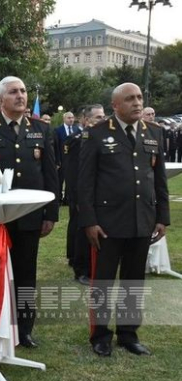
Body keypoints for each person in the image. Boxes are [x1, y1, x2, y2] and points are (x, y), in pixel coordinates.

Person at [0, 76, 59, 348]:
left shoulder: (41, 128)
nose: (20, 96)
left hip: (29, 216)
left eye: (23, 91)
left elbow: (50, 174)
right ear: (0, 100)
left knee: (26, 274)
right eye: (13, 92)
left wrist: (50, 213)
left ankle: (25, 328)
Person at [78, 83, 169, 357]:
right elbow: (84, 183)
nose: (137, 103)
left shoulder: (154, 132)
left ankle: (128, 334)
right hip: (107, 223)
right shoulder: (96, 134)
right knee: (103, 280)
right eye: (130, 99)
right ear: (115, 105)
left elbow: (159, 180)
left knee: (134, 280)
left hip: (142, 219)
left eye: (140, 98)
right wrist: (89, 221)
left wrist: (161, 216)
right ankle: (100, 335)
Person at [62, 104, 105, 285]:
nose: (102, 121)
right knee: (81, 232)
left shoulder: (101, 138)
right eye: (97, 118)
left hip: (98, 193)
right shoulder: (78, 139)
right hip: (81, 194)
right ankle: (81, 270)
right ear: (86, 120)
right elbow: (73, 172)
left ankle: (92, 265)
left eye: (103, 117)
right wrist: (78, 198)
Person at [54, 111, 81, 205]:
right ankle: (59, 199)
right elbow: (56, 146)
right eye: (69, 118)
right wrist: (57, 161)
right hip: (62, 160)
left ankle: (68, 199)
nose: (71, 120)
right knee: (60, 181)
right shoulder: (58, 130)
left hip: (73, 161)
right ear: (64, 119)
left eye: (72, 118)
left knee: (71, 181)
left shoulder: (77, 129)